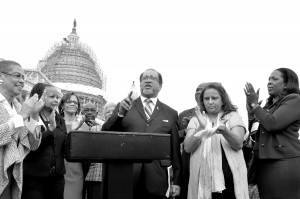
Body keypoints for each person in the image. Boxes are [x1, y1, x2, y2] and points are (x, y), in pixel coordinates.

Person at [102, 68, 182, 199]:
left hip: (156, 179)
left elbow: (175, 150)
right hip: (127, 175)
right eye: (144, 78)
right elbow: (106, 132)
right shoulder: (124, 106)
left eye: (152, 78)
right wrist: (120, 114)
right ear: (140, 84)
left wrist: (177, 181)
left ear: (160, 86)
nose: (148, 80)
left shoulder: (170, 113)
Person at [184, 82, 249, 199]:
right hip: (201, 180)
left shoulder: (232, 116)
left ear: (223, 100)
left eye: (214, 98)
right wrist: (200, 128)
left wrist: (225, 130)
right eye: (206, 98)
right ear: (202, 101)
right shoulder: (196, 119)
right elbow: (188, 147)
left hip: (231, 179)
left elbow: (238, 144)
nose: (210, 102)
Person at [244, 68, 300, 199]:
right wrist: (251, 112)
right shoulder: (268, 106)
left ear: (287, 84)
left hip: (283, 162)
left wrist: (254, 104)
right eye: (268, 79)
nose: (269, 82)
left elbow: (272, 124)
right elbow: (254, 135)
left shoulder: (295, 100)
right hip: (264, 164)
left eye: (274, 79)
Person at [0, 60, 43, 199]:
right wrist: (22, 116)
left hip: (13, 175)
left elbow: (33, 145)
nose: (22, 81)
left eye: (23, 77)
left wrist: (34, 115)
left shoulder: (19, 107)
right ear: (1, 77)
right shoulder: (21, 111)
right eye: (17, 75)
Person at [22, 83, 67, 199]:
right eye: (52, 96)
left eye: (58, 97)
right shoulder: (29, 115)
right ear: (40, 96)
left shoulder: (60, 120)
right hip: (33, 177)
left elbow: (62, 146)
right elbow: (30, 144)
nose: (56, 100)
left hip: (57, 178)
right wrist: (50, 130)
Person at [178, 83, 206, 199]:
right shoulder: (183, 114)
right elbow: (176, 136)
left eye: (202, 90)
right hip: (187, 159)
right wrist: (187, 130)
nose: (198, 92)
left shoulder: (218, 113)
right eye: (196, 90)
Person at [83, 102, 116, 199]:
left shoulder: (123, 129)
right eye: (107, 112)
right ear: (103, 115)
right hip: (97, 175)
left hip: (115, 176)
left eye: (113, 111)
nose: (110, 113)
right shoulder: (95, 128)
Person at [58, 92, 85, 199]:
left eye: (75, 102)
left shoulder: (85, 126)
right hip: (59, 169)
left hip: (76, 170)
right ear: (62, 105)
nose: (72, 104)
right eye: (69, 102)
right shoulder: (56, 123)